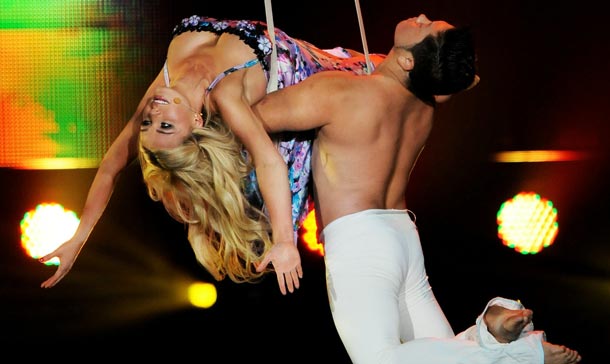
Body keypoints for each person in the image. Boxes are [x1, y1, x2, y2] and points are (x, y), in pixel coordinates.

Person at [251, 13, 581, 364]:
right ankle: (491, 337)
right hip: (401, 238)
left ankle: (520, 354)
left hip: (360, 240)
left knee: (377, 359)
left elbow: (251, 117)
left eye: (426, 27)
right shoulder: (425, 105)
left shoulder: (340, 91)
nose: (421, 17)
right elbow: (454, 83)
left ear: (408, 60)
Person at [38, 15, 384, 295]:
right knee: (373, 75)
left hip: (260, 43)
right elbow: (267, 161)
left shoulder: (167, 84)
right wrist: (283, 240)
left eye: (148, 123)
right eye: (166, 127)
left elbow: (111, 166)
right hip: (293, 66)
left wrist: (78, 239)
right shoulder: (224, 95)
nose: (154, 112)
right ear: (195, 121)